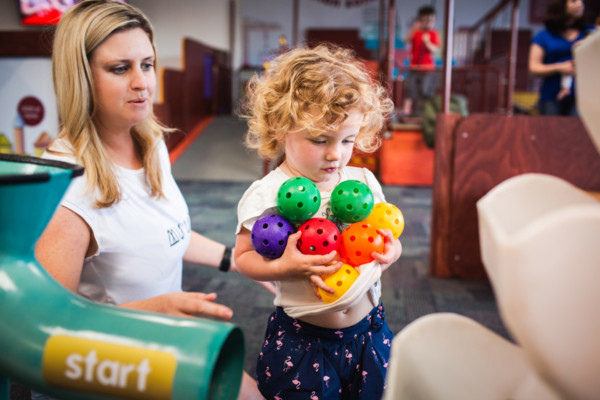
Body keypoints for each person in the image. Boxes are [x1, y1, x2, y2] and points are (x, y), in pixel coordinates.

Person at [34, 1, 263, 399]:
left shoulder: (149, 138)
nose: (143, 82)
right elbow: (47, 329)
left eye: (147, 64)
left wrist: (239, 261)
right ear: (81, 77)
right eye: (120, 69)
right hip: (106, 364)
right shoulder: (66, 185)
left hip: (159, 338)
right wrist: (153, 312)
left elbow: (165, 233)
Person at [235, 44, 403, 399]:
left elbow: (386, 235)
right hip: (303, 339)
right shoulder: (268, 193)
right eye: (319, 139)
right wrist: (286, 266)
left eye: (347, 140)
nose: (335, 154)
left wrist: (393, 250)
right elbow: (244, 257)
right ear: (281, 127)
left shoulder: (361, 182)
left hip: (369, 331)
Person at [528, 0, 594, 116]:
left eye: (581, 1)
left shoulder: (590, 33)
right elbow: (533, 68)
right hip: (552, 96)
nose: (579, 4)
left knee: (577, 132)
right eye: (573, 1)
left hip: (584, 96)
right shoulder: (543, 36)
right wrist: (559, 68)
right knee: (552, 132)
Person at [400, 6, 440, 119]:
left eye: (430, 20)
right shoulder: (416, 32)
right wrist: (414, 29)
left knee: (425, 93)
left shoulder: (433, 33)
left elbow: (435, 49)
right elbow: (405, 41)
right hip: (414, 67)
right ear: (419, 20)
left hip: (428, 69)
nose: (428, 23)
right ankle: (406, 112)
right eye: (425, 20)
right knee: (410, 91)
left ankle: (425, 113)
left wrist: (427, 42)